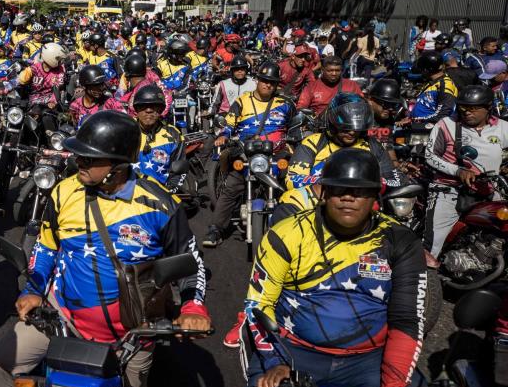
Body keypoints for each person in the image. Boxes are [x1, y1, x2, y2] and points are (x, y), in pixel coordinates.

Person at [0, 110, 210, 387]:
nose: (79, 162)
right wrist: (33, 288)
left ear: (118, 165)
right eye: (79, 154)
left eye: (89, 158)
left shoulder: (160, 203)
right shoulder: (63, 191)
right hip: (63, 319)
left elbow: (192, 262)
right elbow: (46, 247)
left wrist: (193, 308)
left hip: (131, 335)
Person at [207, 149, 429, 387]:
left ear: (375, 196)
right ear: (322, 192)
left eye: (360, 191)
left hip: (367, 362)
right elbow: (257, 306)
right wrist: (275, 363)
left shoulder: (401, 240)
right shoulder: (285, 233)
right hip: (292, 354)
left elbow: (408, 322)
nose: (349, 198)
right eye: (339, 189)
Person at [204, 63, 295, 249]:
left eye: (272, 82)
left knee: (294, 187)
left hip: (278, 157)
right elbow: (228, 123)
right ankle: (216, 229)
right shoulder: (242, 101)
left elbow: (296, 126)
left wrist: (296, 138)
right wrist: (223, 136)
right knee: (232, 187)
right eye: (264, 81)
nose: (268, 85)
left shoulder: (286, 104)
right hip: (248, 155)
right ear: (257, 80)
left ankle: (296, 231)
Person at [424, 85, 508, 259]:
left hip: (490, 190)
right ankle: (424, 281)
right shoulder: (446, 124)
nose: (467, 112)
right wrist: (458, 171)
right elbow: (430, 156)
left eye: (473, 108)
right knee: (433, 245)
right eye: (463, 107)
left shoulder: (503, 127)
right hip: (448, 191)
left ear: (488, 108)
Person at [287, 93, 401, 191]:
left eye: (356, 128)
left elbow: (395, 181)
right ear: (333, 122)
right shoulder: (313, 143)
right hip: (319, 203)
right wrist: (334, 183)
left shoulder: (373, 145)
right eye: (345, 128)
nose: (352, 132)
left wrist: (369, 182)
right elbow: (292, 179)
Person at [132, 85, 183, 184]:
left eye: (154, 106)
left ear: (161, 110)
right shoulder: (124, 132)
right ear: (136, 109)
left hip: (160, 195)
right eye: (143, 106)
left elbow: (178, 173)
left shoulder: (173, 135)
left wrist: (170, 190)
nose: (148, 110)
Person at [296, 55, 362, 116]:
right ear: (322, 70)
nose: (334, 73)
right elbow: (301, 108)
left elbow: (362, 104)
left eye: (337, 70)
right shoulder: (311, 87)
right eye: (330, 71)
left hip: (346, 124)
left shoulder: (351, 85)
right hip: (320, 125)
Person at [411, 50, 458, 124]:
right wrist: (410, 118)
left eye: (422, 69)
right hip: (418, 128)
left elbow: (444, 113)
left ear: (426, 69)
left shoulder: (445, 84)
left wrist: (418, 120)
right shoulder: (430, 83)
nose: (421, 72)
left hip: (431, 129)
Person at [117, 52, 171, 116]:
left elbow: (132, 112)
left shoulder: (137, 91)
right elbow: (167, 95)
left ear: (127, 76)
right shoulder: (150, 81)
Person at [16, 42, 67, 108]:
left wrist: (53, 102)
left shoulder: (60, 71)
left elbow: (58, 89)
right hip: (30, 102)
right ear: (51, 57)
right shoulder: (33, 69)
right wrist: (4, 89)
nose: (61, 62)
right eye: (59, 59)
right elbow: (18, 81)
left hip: (48, 103)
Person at [366, 77, 407, 146]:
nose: (390, 108)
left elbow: (388, 148)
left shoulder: (388, 120)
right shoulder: (359, 117)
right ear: (370, 100)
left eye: (393, 104)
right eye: (385, 104)